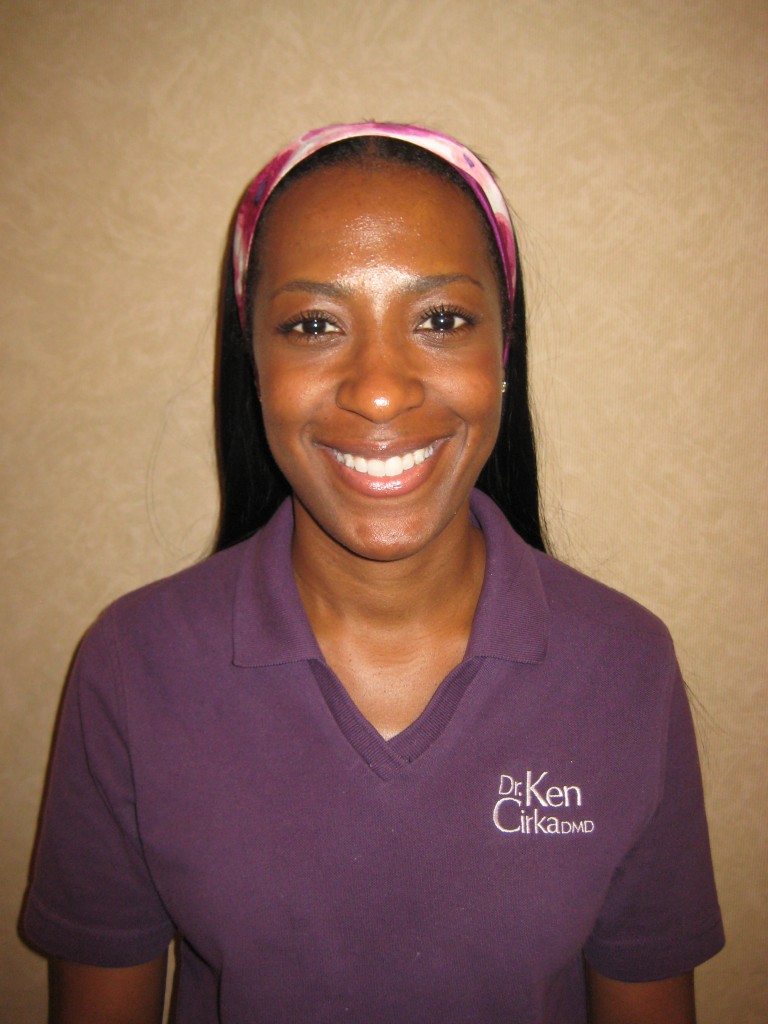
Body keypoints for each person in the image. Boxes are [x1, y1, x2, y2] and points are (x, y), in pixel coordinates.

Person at [23, 123, 724, 1023]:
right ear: (255, 365)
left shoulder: (625, 666)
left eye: (442, 320)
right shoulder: (133, 665)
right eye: (314, 325)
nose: (381, 389)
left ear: (503, 354)